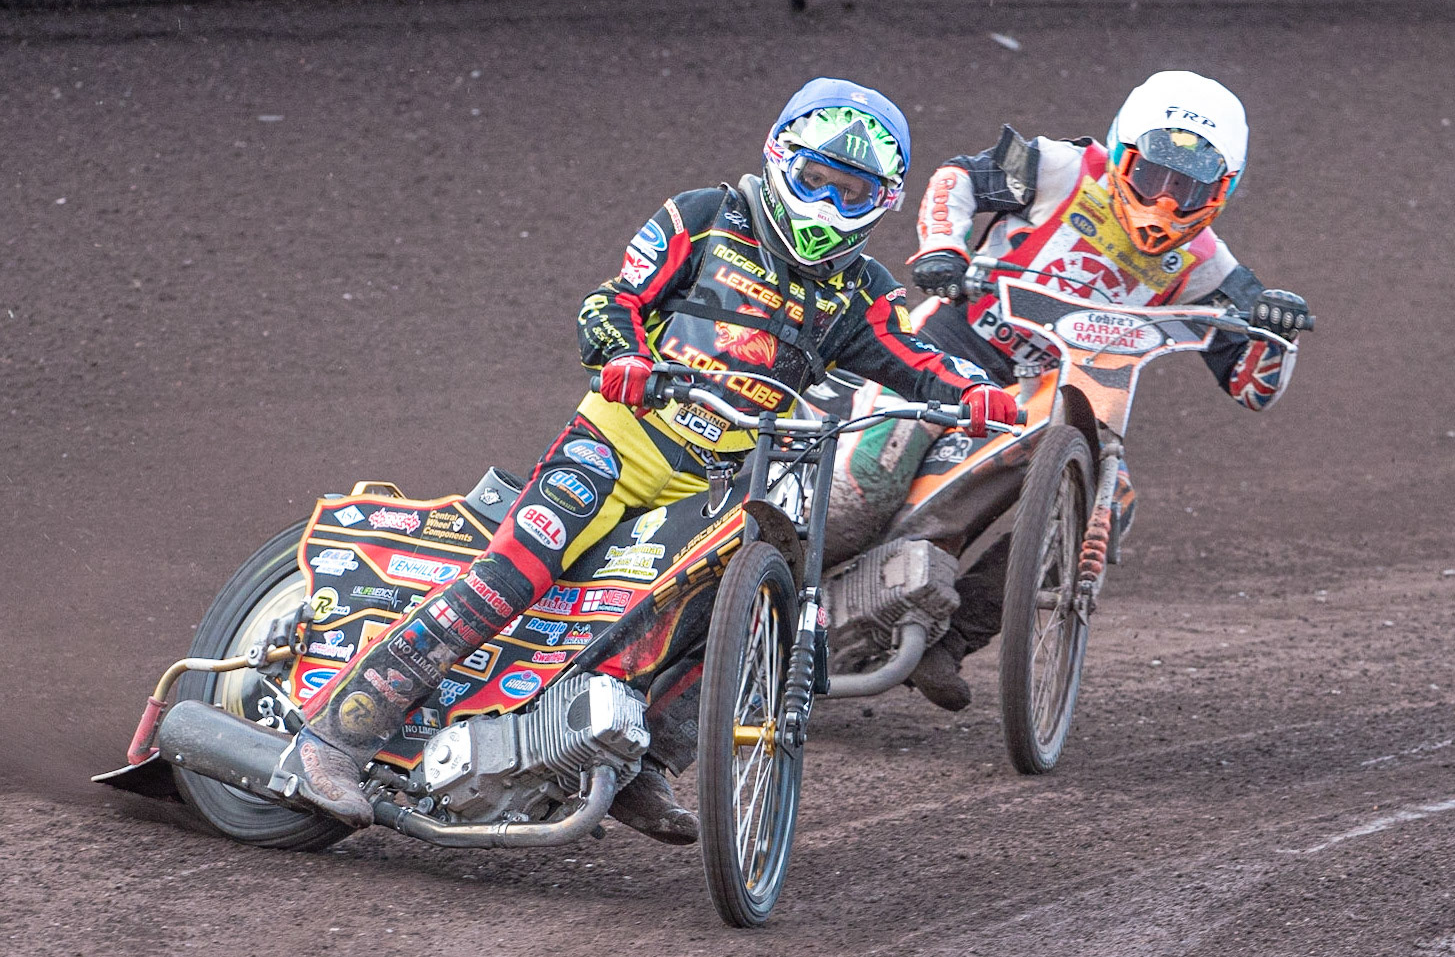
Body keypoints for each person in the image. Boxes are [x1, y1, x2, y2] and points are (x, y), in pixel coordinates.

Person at [271, 77, 1019, 840]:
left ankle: (639, 764)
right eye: (814, 179)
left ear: (882, 202)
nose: (826, 205)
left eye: (850, 192)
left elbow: (915, 355)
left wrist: (976, 392)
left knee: (715, 616)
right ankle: (332, 737)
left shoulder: (860, 292)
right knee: (511, 577)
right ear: (777, 159)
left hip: (715, 484)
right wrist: (622, 352)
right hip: (613, 443)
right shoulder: (703, 217)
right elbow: (612, 301)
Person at [894, 70, 1311, 709]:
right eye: (1153, 176)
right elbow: (956, 177)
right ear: (1120, 153)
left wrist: (1275, 334)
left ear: (1220, 191)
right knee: (869, 470)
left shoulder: (1207, 267)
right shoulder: (1057, 167)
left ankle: (947, 640)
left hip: (1057, 394)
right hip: (954, 350)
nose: (1166, 201)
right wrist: (941, 250)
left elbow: (1252, 388)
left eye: (1189, 186)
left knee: (1107, 504)